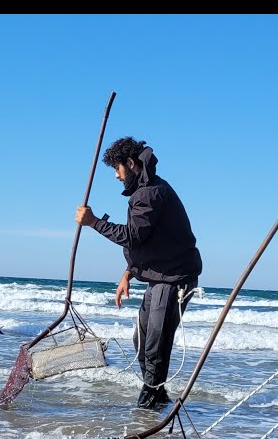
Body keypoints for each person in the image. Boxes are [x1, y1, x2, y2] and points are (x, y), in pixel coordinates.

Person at [75, 137, 203, 409]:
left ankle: (149, 401)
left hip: (174, 279)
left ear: (131, 164)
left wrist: (93, 222)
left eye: (117, 168)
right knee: (142, 340)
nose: (116, 175)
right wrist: (128, 273)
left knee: (156, 342)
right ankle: (158, 397)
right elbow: (150, 243)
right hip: (160, 275)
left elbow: (132, 237)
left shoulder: (149, 194)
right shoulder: (146, 190)